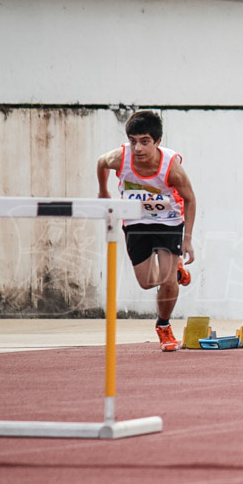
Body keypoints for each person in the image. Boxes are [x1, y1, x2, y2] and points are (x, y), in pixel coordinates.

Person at [97, 111, 197, 352]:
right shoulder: (121, 158)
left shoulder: (171, 169)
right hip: (136, 222)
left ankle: (164, 326)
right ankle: (175, 273)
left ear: (157, 142)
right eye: (133, 141)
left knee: (167, 281)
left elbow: (190, 200)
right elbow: (101, 162)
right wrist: (103, 191)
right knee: (146, 283)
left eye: (144, 141)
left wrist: (188, 240)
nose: (137, 148)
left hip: (168, 221)